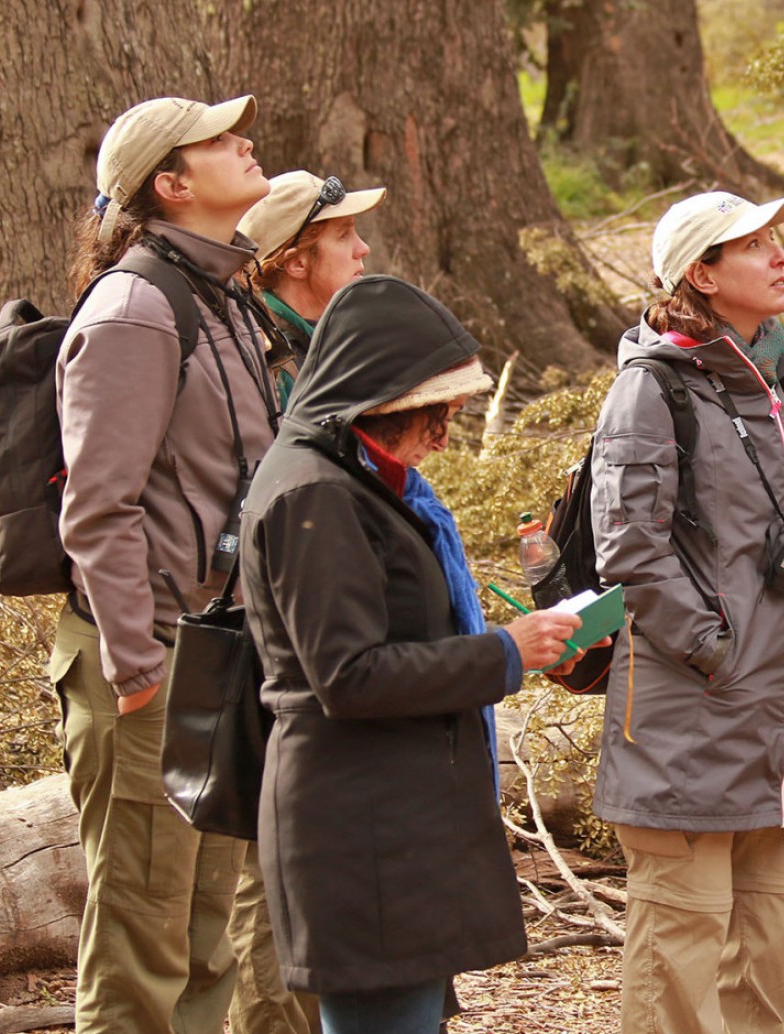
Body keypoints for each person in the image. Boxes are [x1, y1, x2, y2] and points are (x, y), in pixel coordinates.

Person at [237, 274, 583, 1034]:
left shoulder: (356, 481)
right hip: (359, 836)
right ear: (380, 400)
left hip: (391, 825)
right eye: (435, 413)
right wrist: (502, 653)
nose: (444, 436)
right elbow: (348, 676)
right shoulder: (315, 496)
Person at [589, 190, 784, 1034]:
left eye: (778, 238)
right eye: (755, 245)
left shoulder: (776, 380)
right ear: (701, 273)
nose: (781, 255)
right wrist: (715, 650)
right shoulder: (650, 388)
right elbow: (628, 549)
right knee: (679, 959)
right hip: (689, 716)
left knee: (765, 952)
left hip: (779, 722)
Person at [50, 94, 276, 1034]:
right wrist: (139, 668)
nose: (247, 144)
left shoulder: (221, 296)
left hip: (214, 651)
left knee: (202, 936)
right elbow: (98, 506)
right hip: (147, 658)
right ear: (171, 185)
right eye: (221, 141)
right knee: (143, 942)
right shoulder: (138, 308)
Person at [223, 168, 385, 1034]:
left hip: (320, 632)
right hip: (269, 643)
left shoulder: (314, 353)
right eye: (343, 240)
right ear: (291, 260)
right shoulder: (264, 363)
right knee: (266, 868)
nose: (363, 252)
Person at [238, 169, 386, 407]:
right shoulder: (272, 362)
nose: (363, 248)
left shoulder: (338, 341)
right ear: (297, 263)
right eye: (343, 235)